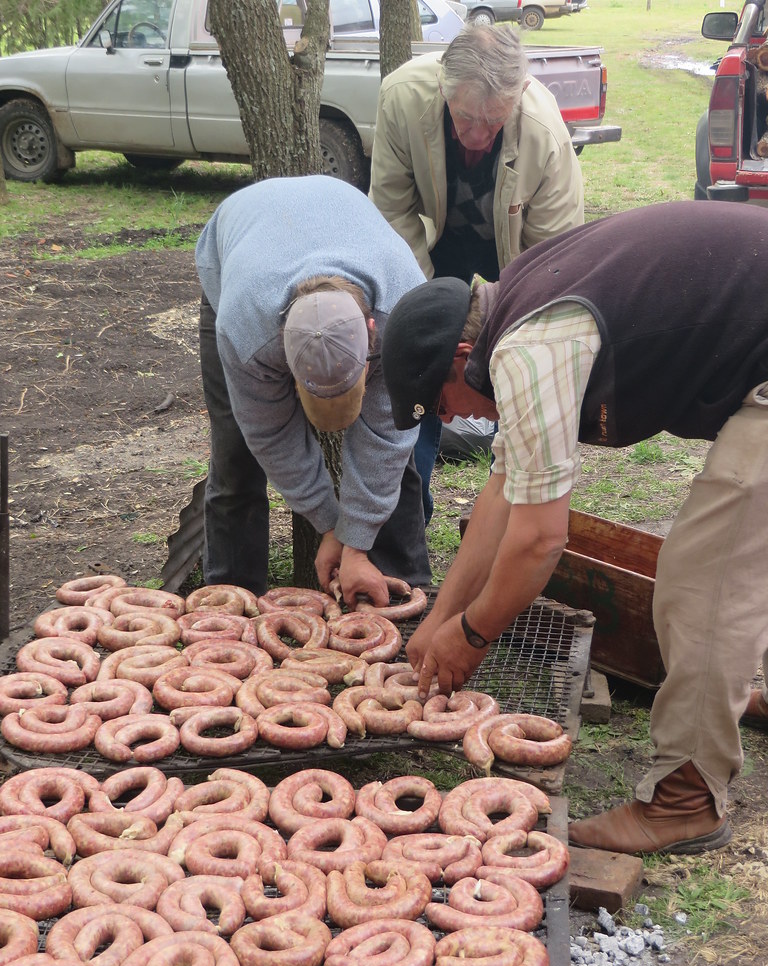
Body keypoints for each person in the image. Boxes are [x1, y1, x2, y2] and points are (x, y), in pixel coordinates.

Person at [379, 199, 768, 857]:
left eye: (442, 406)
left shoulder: (530, 350)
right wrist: (436, 620)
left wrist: (472, 636)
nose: (447, 423)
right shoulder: (517, 304)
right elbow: (503, 497)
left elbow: (539, 539)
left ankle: (686, 801)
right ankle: (738, 688)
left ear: (465, 358)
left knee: (704, 582)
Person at [369, 21, 584, 523]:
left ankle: (505, 506)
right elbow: (393, 216)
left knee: (520, 368)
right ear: (444, 85)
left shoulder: (545, 132)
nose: (478, 136)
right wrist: (427, 332)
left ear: (520, 95)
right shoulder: (402, 97)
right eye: (465, 116)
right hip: (433, 239)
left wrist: (509, 351)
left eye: (495, 121)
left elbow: (552, 267)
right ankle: (409, 516)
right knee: (424, 363)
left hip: (521, 244)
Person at [194, 175, 431, 610]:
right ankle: (231, 605)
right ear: (282, 353)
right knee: (236, 453)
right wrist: (327, 526)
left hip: (339, 217)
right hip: (239, 242)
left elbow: (388, 434)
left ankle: (400, 587)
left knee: (398, 455)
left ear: (371, 336)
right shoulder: (247, 332)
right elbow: (269, 433)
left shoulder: (402, 308)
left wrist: (355, 545)